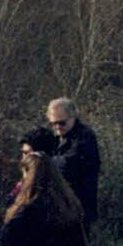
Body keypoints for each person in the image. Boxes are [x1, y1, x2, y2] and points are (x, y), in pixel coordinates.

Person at [46, 97, 101, 226]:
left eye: (62, 123)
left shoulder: (85, 137)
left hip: (79, 206)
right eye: (53, 123)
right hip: (60, 205)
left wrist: (45, 161)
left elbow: (68, 164)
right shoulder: (57, 136)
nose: (57, 127)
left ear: (73, 117)